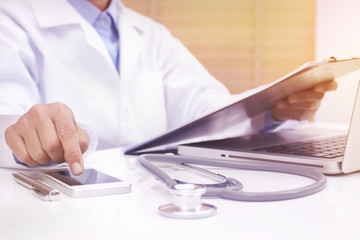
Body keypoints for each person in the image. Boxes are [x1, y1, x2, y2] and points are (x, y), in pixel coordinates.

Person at [0, 0, 337, 175]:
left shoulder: (151, 34)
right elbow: (8, 120)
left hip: (152, 208)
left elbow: (207, 111)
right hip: (60, 213)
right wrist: (25, 132)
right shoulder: (11, 18)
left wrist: (270, 108)